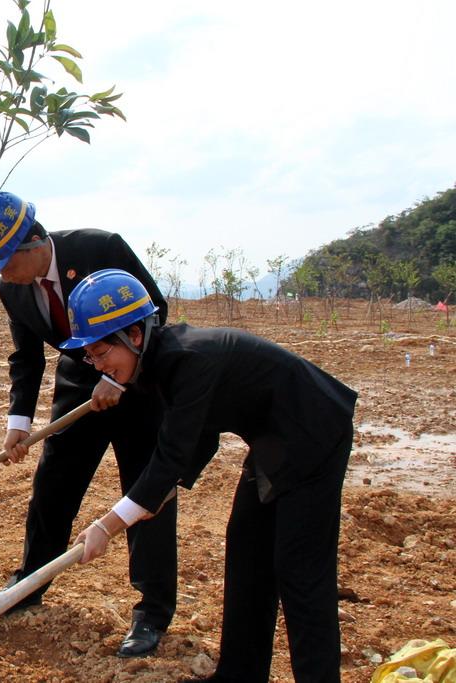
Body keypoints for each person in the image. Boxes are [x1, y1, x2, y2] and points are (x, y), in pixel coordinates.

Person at [65, 269, 357, 683]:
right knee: (247, 555)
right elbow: (197, 437)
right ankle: (239, 674)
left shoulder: (188, 358)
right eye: (90, 357)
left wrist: (107, 525)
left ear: (133, 335)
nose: (98, 365)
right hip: (272, 440)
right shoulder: (158, 363)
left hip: (313, 434)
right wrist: (161, 491)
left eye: (99, 352)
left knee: (300, 573)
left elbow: (170, 453)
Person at [0, 190, 178, 657]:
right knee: (53, 484)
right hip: (80, 385)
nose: (1, 274)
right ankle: (28, 585)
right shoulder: (12, 289)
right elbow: (26, 356)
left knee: (147, 492)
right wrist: (18, 420)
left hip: (139, 381)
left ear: (32, 242)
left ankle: (152, 611)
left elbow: (155, 312)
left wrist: (121, 379)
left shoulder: (100, 247)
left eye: (5, 262)